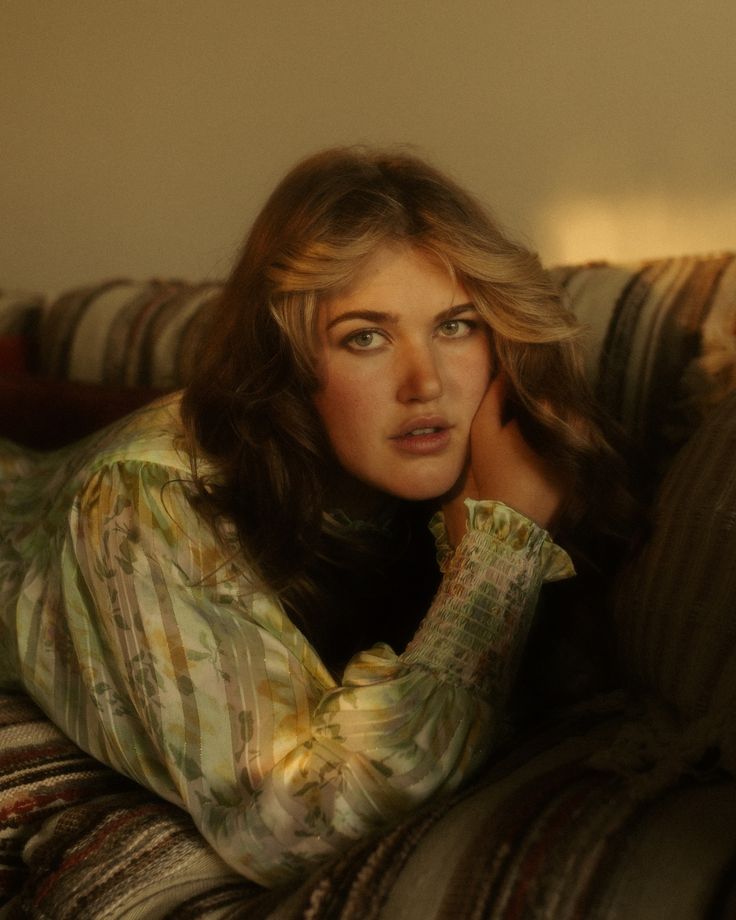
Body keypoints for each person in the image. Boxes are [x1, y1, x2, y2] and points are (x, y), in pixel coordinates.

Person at [0, 147, 630, 888]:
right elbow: (300, 825)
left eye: (456, 326)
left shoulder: (464, 463)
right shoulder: (143, 504)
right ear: (287, 361)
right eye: (365, 336)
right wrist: (497, 555)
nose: (425, 383)